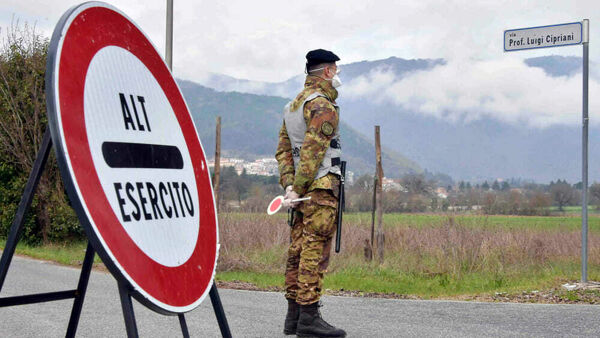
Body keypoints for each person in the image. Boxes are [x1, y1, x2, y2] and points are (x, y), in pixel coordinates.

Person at [275, 48, 346, 338]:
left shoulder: (292, 106)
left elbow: (283, 152)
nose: (338, 75)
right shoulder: (321, 105)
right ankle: (308, 317)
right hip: (320, 189)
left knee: (297, 249)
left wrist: (289, 186)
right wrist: (301, 187)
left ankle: (293, 317)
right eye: (336, 70)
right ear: (327, 71)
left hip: (300, 192)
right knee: (314, 252)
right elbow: (313, 153)